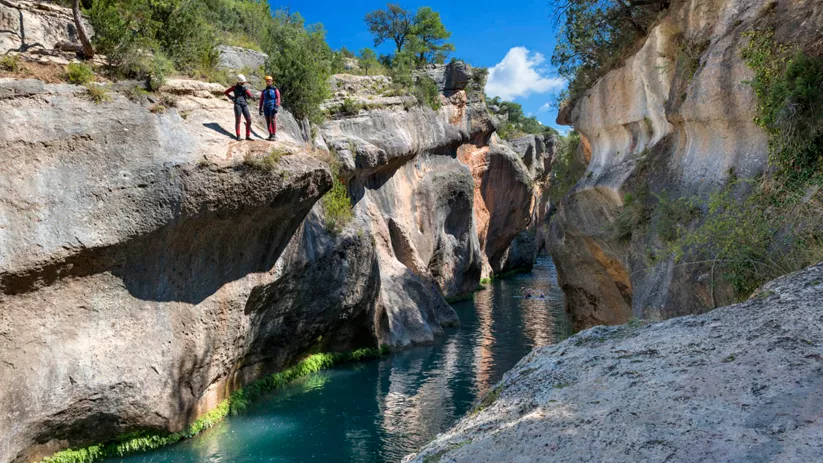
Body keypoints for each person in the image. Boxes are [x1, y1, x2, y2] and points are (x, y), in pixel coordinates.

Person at [223, 74, 254, 141]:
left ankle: (247, 136)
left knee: (249, 120)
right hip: (237, 105)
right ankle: (238, 136)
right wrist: (231, 97)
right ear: (239, 81)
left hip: (244, 105)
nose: (244, 83)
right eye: (242, 82)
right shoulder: (234, 87)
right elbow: (226, 92)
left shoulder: (244, 87)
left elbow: (250, 96)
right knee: (238, 121)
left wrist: (246, 90)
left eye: (244, 82)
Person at [259, 76, 281, 141]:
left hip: (272, 106)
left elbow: (278, 98)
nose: (268, 82)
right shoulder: (264, 91)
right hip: (265, 107)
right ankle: (270, 134)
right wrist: (260, 108)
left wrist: (276, 106)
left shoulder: (275, 90)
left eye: (270, 80)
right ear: (266, 82)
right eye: (267, 80)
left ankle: (274, 134)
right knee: (268, 121)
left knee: (273, 120)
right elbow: (261, 100)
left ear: (272, 81)